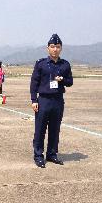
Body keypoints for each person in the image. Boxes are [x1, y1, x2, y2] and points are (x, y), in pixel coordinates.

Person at [30, 33, 73, 168]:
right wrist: (34, 100)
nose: (55, 49)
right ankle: (38, 155)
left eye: (58, 47)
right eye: (53, 46)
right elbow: (34, 83)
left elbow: (70, 82)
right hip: (43, 100)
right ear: (48, 48)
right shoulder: (41, 64)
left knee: (55, 129)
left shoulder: (65, 65)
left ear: (61, 49)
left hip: (58, 101)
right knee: (40, 129)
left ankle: (52, 154)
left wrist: (63, 80)